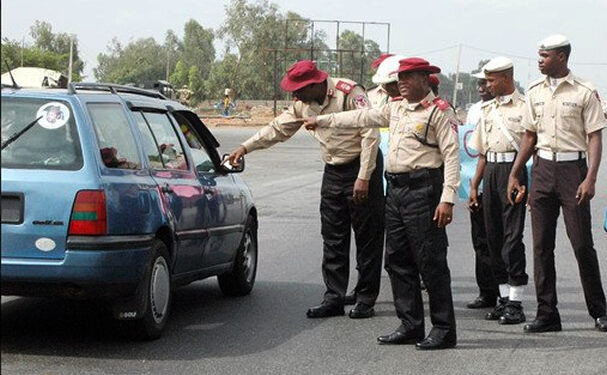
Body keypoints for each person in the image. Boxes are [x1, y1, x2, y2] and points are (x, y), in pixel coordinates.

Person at [304, 57, 460, 350]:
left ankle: (443, 329)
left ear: (425, 79)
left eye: (408, 77)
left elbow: (451, 157)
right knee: (397, 261)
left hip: (423, 190)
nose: (401, 82)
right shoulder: (396, 107)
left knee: (430, 262)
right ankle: (411, 325)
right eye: (399, 77)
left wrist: (447, 198)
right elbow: (360, 118)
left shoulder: (439, 111)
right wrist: (322, 120)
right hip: (396, 190)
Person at [228, 60, 385, 320]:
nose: (294, 95)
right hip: (334, 170)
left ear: (314, 84)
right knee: (333, 237)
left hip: (362, 166)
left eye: (298, 89)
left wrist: (364, 177)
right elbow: (277, 129)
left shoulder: (349, 92)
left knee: (367, 236)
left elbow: (370, 133)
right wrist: (245, 147)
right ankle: (333, 297)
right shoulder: (303, 104)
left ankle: (365, 298)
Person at [507, 34, 607, 333]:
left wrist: (590, 177)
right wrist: (515, 172)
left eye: (545, 56)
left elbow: (594, 136)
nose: (539, 61)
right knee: (541, 247)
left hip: (572, 171)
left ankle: (600, 311)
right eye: (539, 55)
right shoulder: (534, 92)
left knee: (581, 245)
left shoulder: (584, 91)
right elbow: (528, 136)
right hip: (541, 170)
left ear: (561, 57)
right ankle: (547, 314)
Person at [469, 57, 528, 325]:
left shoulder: (525, 107)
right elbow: (482, 153)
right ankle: (503, 299)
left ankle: (516, 302)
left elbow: (533, 148)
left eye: (491, 80)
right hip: (491, 172)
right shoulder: (487, 109)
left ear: (506, 77)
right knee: (493, 238)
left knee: (512, 239)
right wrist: (474, 185)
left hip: (514, 173)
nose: (487, 85)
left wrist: (528, 183)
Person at [344, 54, 405, 305]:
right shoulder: (369, 96)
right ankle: (363, 286)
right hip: (372, 170)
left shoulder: (415, 102)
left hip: (400, 170)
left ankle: (401, 279)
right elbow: (360, 122)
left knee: (395, 234)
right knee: (368, 230)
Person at [464, 69, 499, 310]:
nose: (481, 88)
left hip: (501, 180)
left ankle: (505, 293)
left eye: (485, 82)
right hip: (477, 181)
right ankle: (486, 292)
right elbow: (467, 148)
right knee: (480, 239)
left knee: (501, 239)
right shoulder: (474, 110)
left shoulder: (513, 108)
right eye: (478, 83)